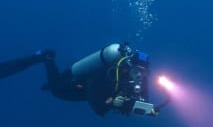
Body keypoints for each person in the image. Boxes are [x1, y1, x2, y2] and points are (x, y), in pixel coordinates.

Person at [0, 42, 155, 116]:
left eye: (143, 72)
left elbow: (142, 102)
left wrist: (150, 110)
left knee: (56, 86)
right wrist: (110, 103)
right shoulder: (109, 74)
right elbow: (96, 103)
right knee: (57, 90)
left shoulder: (140, 80)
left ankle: (51, 82)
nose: (139, 75)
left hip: (90, 90)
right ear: (127, 67)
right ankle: (47, 57)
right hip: (80, 81)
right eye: (137, 71)